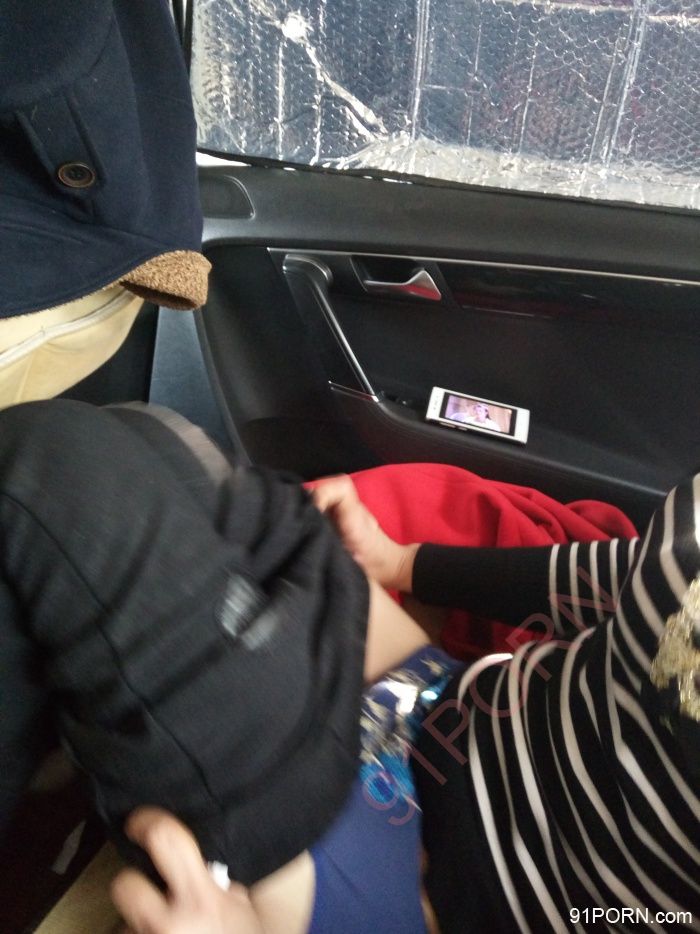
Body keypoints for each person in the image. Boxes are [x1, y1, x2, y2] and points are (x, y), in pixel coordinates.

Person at [106, 466, 700, 932]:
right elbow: (634, 578)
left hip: (433, 894)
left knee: (185, 747)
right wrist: (401, 562)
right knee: (198, 510)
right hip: (440, 702)